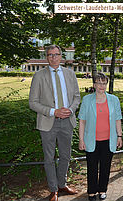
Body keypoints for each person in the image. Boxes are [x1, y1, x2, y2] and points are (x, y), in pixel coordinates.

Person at [29, 45, 80, 201]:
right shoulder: (39, 76)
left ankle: (62, 184)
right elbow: (33, 102)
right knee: (49, 158)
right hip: (47, 122)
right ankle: (53, 189)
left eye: (56, 54)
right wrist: (53, 111)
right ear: (46, 57)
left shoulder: (70, 74)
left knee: (66, 155)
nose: (53, 57)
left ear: (61, 56)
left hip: (67, 121)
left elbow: (77, 97)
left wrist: (70, 110)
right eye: (50, 55)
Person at [78, 72, 123, 201]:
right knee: (92, 168)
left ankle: (103, 190)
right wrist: (81, 139)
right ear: (94, 85)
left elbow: (117, 120)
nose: (101, 86)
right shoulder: (87, 100)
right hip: (91, 140)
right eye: (99, 83)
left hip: (109, 140)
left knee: (105, 167)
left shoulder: (114, 100)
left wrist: (119, 136)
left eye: (104, 83)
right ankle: (91, 192)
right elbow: (82, 121)